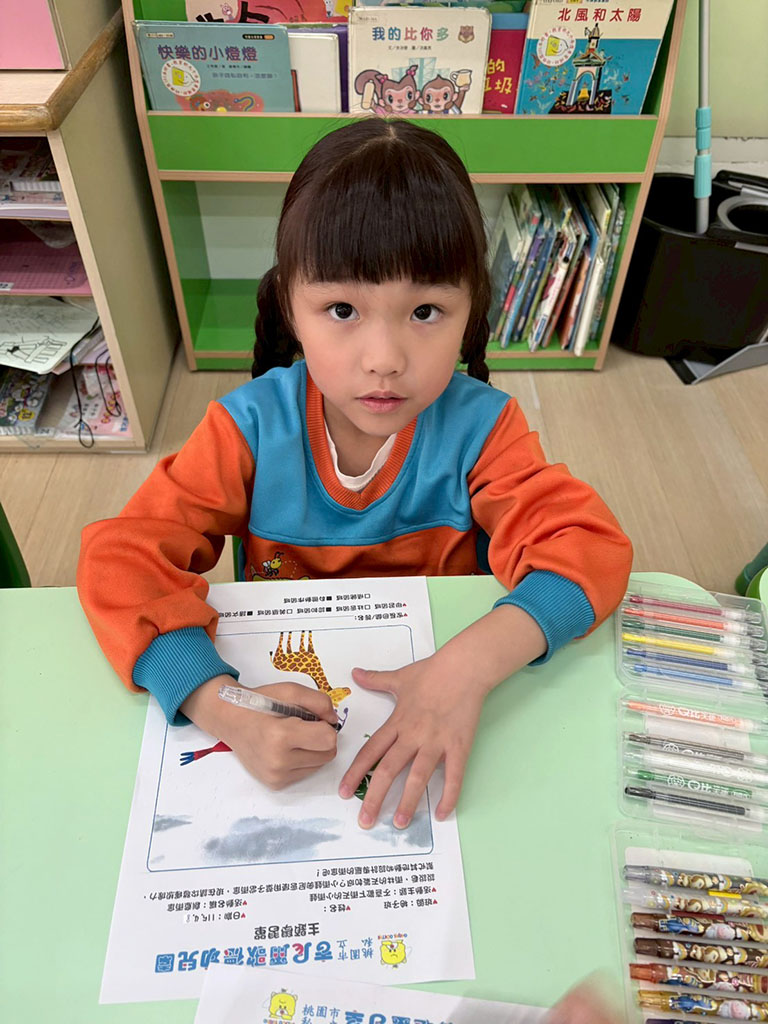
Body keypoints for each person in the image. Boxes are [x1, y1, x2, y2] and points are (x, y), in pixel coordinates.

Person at [77, 119, 633, 831]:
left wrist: (466, 667)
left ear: (471, 312)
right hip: (286, 703)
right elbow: (120, 559)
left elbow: (589, 548)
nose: (384, 359)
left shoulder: (483, 429)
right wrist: (218, 703)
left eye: (426, 311)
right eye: (342, 309)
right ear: (291, 307)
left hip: (445, 705)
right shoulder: (249, 429)